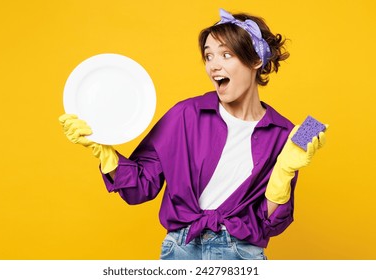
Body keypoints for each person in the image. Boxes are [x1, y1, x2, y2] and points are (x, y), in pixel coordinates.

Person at [59, 8, 327, 260]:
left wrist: (283, 173)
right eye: (208, 56)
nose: (213, 66)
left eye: (226, 54)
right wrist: (102, 148)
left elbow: (268, 223)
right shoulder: (185, 114)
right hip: (181, 250)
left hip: (242, 255)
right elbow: (141, 186)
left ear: (256, 60)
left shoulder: (288, 134)